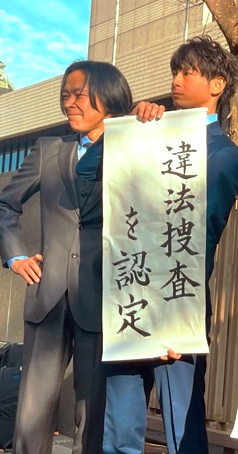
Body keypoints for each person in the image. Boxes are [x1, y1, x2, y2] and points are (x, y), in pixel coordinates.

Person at [81, 35, 238, 454]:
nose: (176, 80)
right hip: (130, 297)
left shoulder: (225, 153)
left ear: (217, 84)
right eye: (175, 72)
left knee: (182, 428)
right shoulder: (144, 133)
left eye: (188, 72)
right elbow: (87, 172)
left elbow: (202, 233)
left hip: (177, 301)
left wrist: (176, 314)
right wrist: (127, 130)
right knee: (119, 429)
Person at [0, 60, 132, 454]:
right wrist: (15, 257)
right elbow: (5, 204)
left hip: (104, 296)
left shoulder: (134, 148)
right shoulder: (48, 150)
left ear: (109, 97)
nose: (69, 103)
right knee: (31, 414)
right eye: (65, 95)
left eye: (80, 95)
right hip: (48, 295)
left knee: (92, 412)